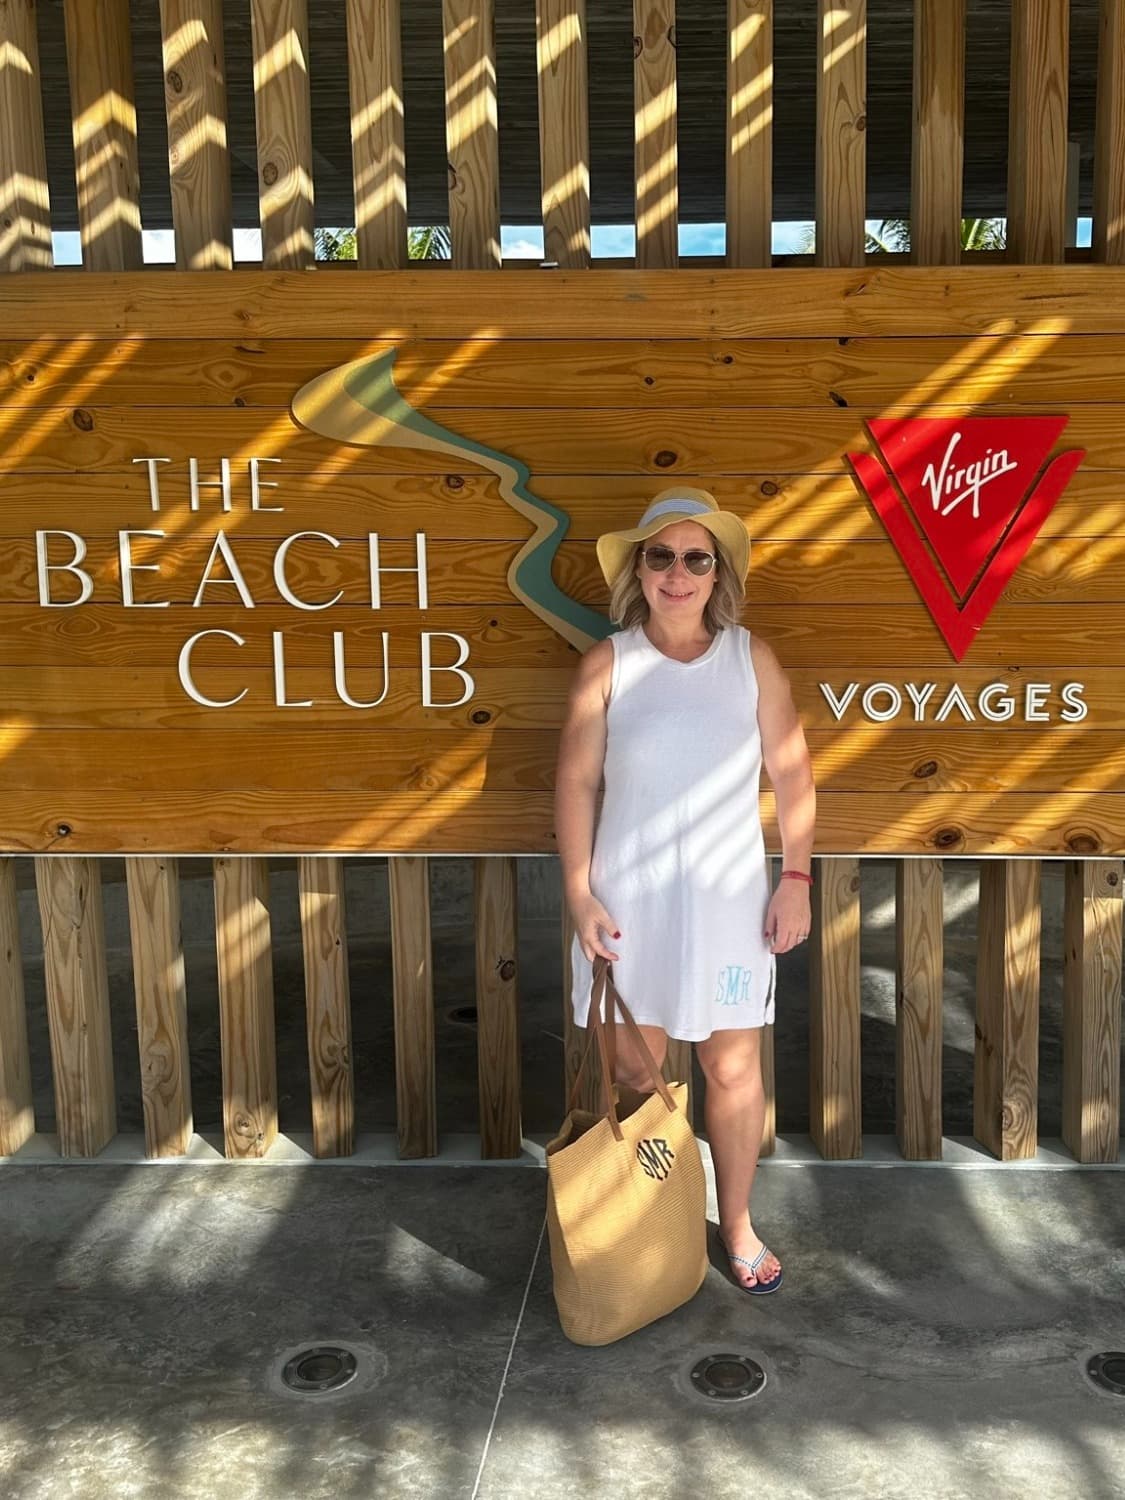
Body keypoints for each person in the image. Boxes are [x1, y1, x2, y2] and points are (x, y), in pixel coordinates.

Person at [555, 486, 816, 1294]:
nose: (676, 573)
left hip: (732, 908)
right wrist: (579, 895)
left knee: (733, 1072)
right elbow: (573, 783)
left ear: (717, 572)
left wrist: (797, 879)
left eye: (694, 558)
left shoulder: (750, 658)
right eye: (660, 556)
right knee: (638, 1076)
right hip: (627, 908)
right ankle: (648, 1231)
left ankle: (734, 1224)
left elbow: (794, 773)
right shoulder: (608, 663)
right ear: (640, 568)